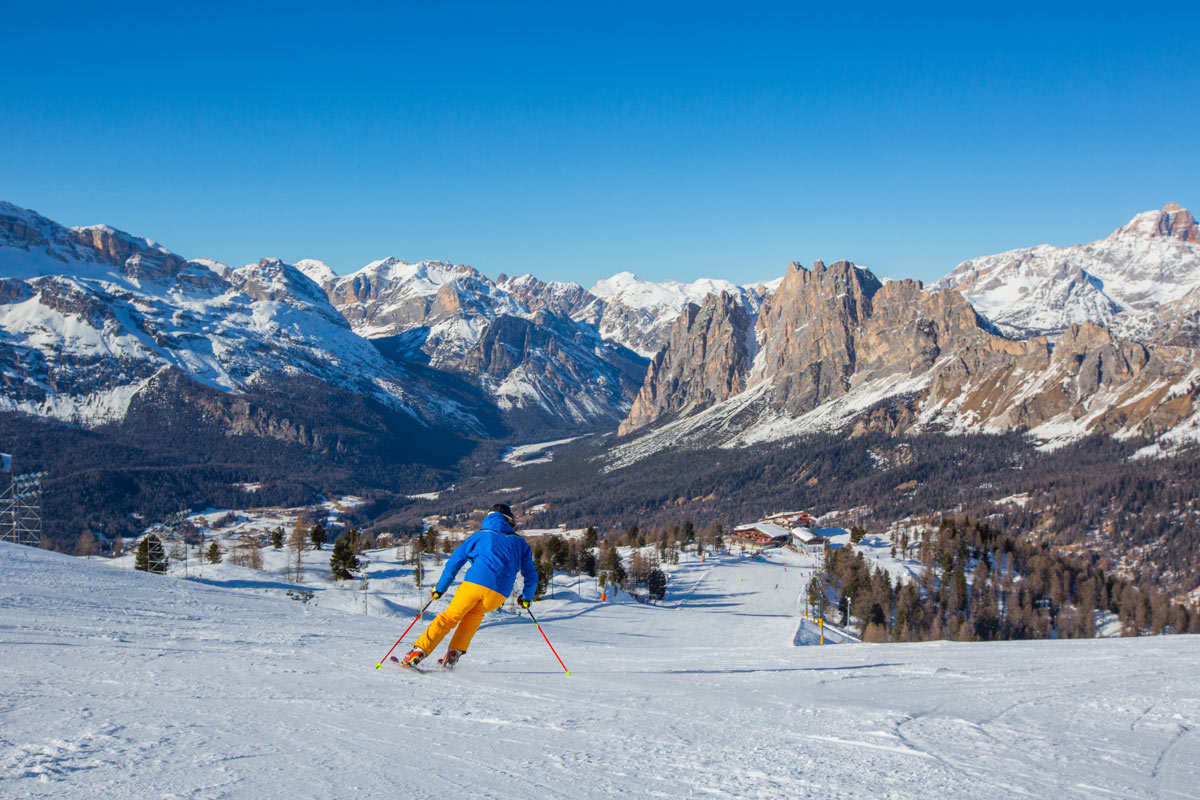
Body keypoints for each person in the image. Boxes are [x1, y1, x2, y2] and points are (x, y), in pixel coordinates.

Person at [401, 503, 538, 668]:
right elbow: (531, 575)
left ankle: (418, 651)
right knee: (474, 616)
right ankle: (454, 653)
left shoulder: (480, 536)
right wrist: (526, 597)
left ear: (489, 517)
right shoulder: (521, 543)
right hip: (499, 594)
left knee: (449, 617)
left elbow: (454, 562)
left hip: (475, 585)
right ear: (510, 521)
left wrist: (440, 588)